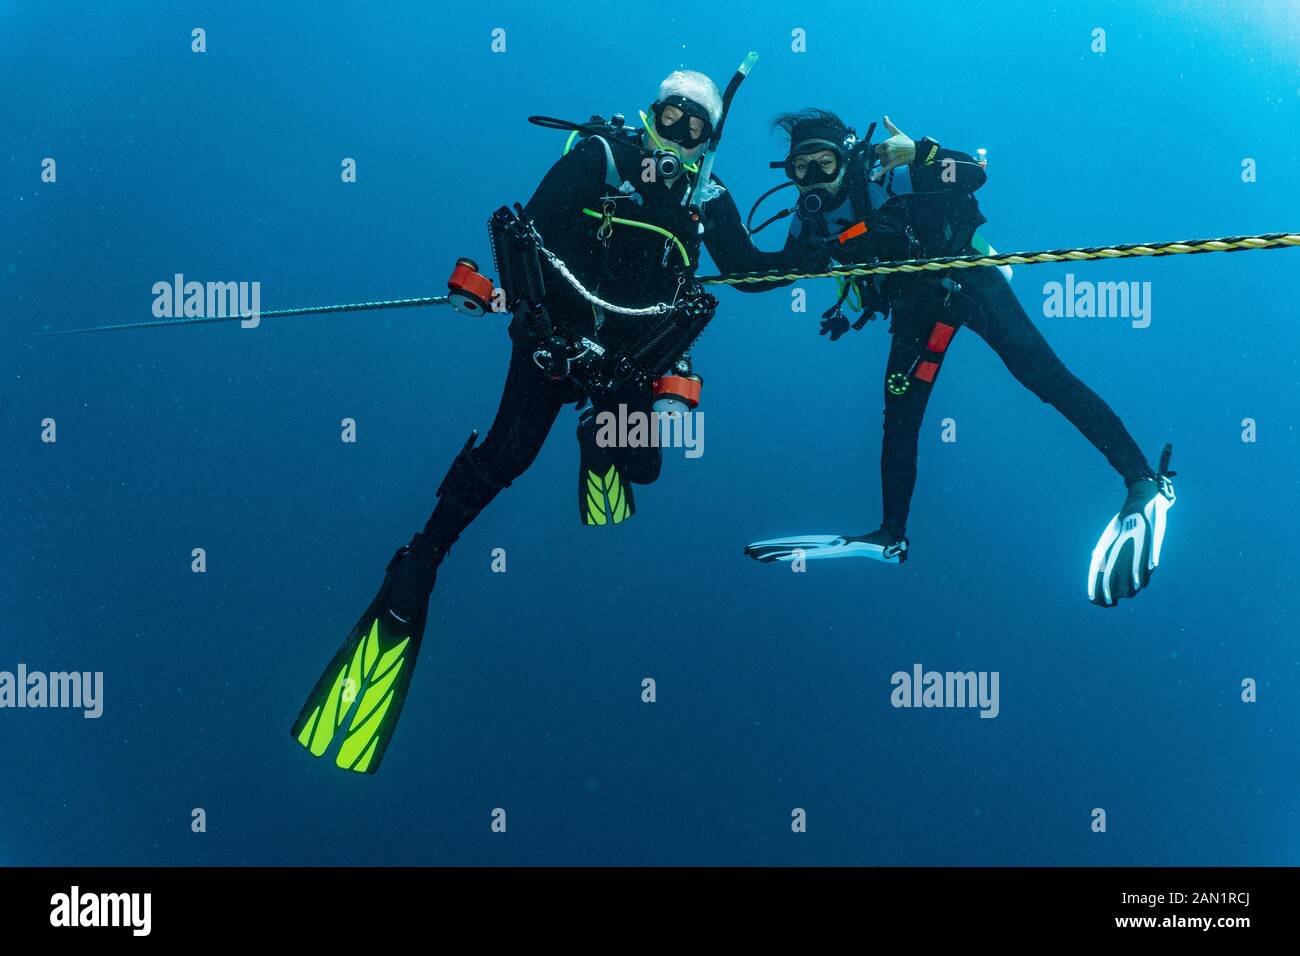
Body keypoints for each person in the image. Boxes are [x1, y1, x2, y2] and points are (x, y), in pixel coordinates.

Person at [291, 69, 809, 773]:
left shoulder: (706, 199)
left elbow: (748, 274)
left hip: (626, 363)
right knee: (507, 456)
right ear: (649, 114)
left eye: (696, 127)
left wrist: (826, 251)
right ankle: (421, 564)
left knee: (645, 467)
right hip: (552, 342)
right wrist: (539, 326)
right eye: (670, 117)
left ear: (710, 138)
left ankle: (600, 439)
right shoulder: (601, 155)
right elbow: (525, 228)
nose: (679, 136)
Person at [742, 109, 1176, 608]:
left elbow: (973, 173)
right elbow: (774, 273)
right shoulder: (810, 219)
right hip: (914, 312)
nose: (814, 177)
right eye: (802, 167)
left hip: (966, 280)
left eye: (825, 162)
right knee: (898, 420)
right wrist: (715, 221)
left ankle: (1144, 483)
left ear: (847, 158)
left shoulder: (890, 178)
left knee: (1044, 376)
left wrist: (921, 151)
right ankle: (891, 534)